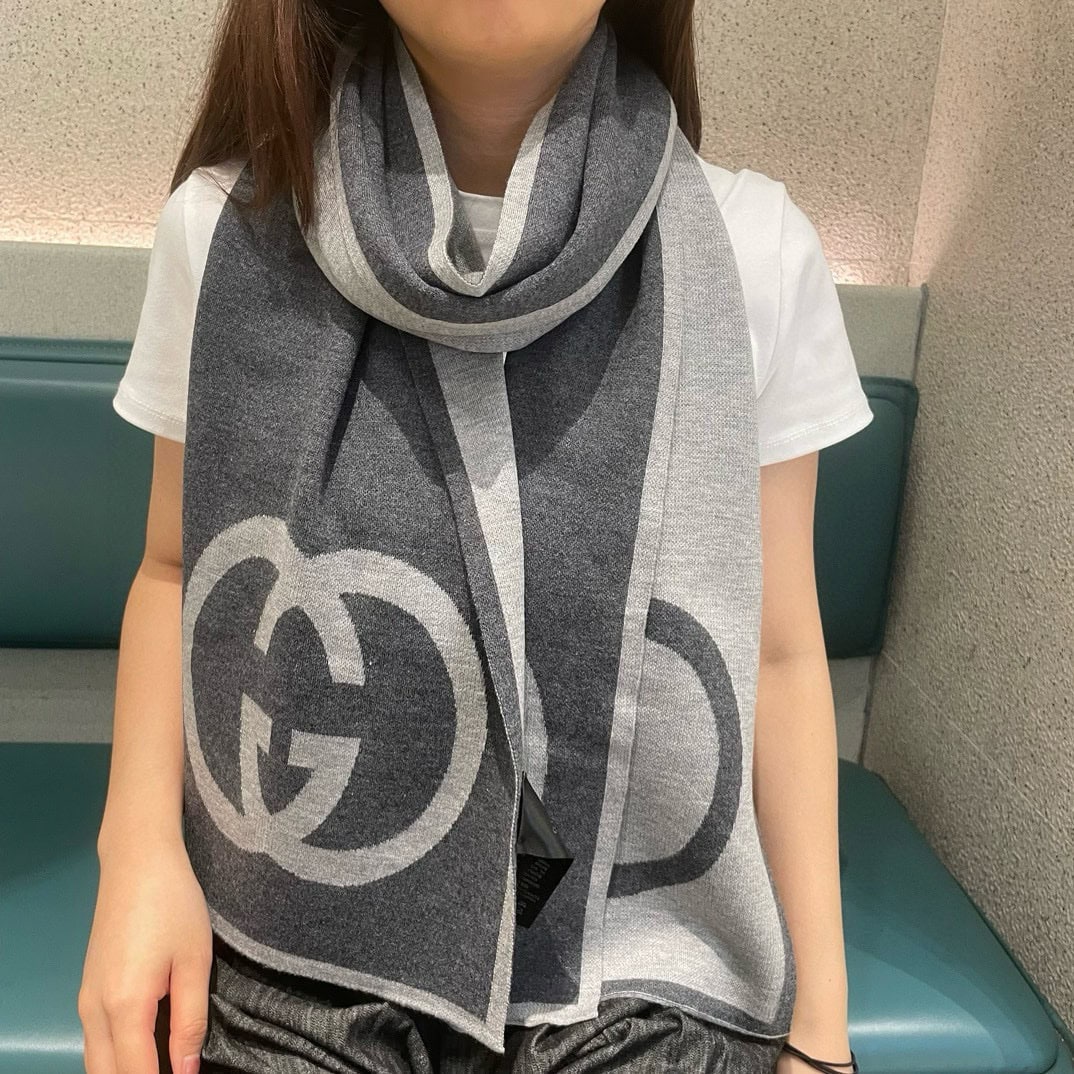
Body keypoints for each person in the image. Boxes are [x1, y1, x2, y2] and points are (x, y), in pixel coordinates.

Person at [79, 1, 872, 1072]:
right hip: (292, 945)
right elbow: (178, 570)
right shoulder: (222, 230)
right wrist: (136, 858)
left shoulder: (753, 251)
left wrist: (821, 1032)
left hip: (646, 963)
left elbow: (775, 653)